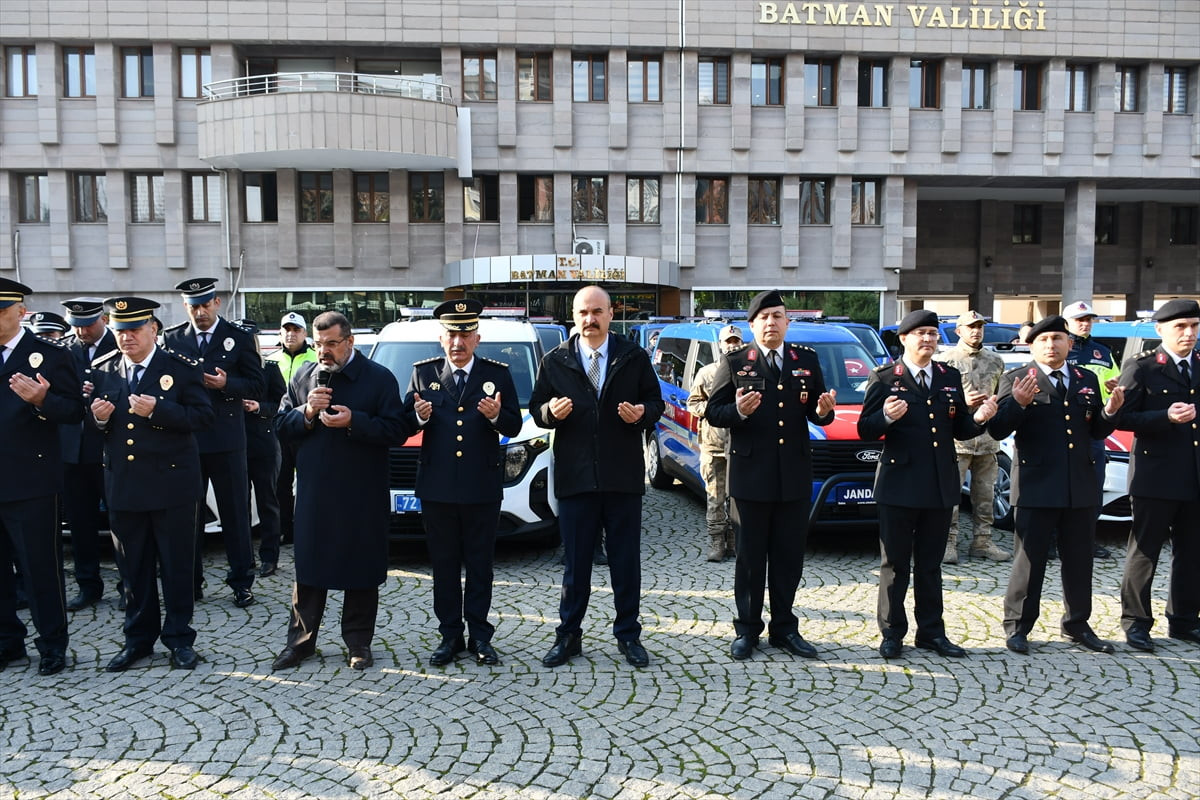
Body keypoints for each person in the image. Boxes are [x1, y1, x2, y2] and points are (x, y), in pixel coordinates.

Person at [530, 285, 664, 669]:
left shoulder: (633, 357)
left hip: (622, 478)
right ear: (574, 316)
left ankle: (628, 635)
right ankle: (568, 635)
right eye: (583, 313)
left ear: (610, 314)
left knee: (625, 563)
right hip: (575, 478)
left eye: (597, 312)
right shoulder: (555, 360)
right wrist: (550, 412)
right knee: (576, 565)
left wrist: (642, 413)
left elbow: (656, 402)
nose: (590, 319)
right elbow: (537, 408)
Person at [271, 311, 410, 672]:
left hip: (362, 492)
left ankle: (358, 643)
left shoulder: (378, 378)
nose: (324, 351)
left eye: (332, 344)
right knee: (309, 568)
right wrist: (306, 412)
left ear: (350, 341)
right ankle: (300, 643)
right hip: (316, 492)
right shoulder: (303, 376)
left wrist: (355, 421)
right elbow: (281, 425)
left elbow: (397, 430)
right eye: (319, 344)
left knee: (360, 567)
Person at [858, 309, 997, 660]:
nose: (928, 339)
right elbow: (865, 429)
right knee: (895, 565)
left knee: (931, 565)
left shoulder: (948, 376)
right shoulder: (885, 378)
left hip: (938, 483)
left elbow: (960, 428)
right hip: (899, 485)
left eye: (933, 334)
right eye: (920, 333)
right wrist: (886, 417)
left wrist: (980, 417)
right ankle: (892, 632)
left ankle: (932, 633)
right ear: (904, 339)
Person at [706, 292, 837, 660]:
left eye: (777, 316)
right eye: (763, 317)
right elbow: (714, 412)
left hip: (793, 474)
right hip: (751, 476)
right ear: (752, 325)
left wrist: (824, 412)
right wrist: (738, 411)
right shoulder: (736, 361)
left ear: (787, 323)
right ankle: (747, 629)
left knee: (788, 557)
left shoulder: (805, 359)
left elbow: (818, 411)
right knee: (750, 559)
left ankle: (784, 628)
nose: (771, 323)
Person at [88, 297, 214, 671]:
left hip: (171, 484)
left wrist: (159, 410)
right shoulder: (104, 369)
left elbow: (203, 417)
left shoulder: (180, 367)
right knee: (133, 569)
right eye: (120, 330)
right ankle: (138, 640)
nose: (126, 337)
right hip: (125, 485)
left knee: (176, 567)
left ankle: (179, 639)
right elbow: (96, 427)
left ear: (153, 329)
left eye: (134, 329)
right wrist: (97, 419)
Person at [988, 315, 1124, 656]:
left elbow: (1095, 430)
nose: (1051, 345)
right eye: (1044, 340)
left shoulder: (1085, 378)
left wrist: (1111, 411)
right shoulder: (1017, 378)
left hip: (1079, 484)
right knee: (1029, 560)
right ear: (1032, 346)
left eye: (1057, 338)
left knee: (1079, 559)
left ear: (1069, 343)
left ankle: (1077, 624)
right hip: (1036, 484)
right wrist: (1018, 404)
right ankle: (1018, 626)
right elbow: (998, 429)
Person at [404, 299, 522, 666]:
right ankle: (450, 636)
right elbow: (403, 423)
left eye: (465, 334)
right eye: (451, 335)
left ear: (477, 338)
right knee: (444, 566)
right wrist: (418, 417)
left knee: (480, 566)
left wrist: (497, 415)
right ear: (442, 339)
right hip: (438, 489)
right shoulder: (423, 373)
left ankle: (480, 636)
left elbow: (515, 424)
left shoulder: (496, 374)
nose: (458, 342)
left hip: (480, 487)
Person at [162, 278, 264, 608]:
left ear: (217, 303)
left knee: (234, 514)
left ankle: (241, 581)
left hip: (226, 438)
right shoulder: (173, 338)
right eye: (194, 306)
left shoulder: (238, 337)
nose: (200, 312)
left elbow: (257, 385)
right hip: (187, 438)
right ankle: (191, 582)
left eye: (205, 305)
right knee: (186, 516)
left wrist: (226, 384)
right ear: (185, 307)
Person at [0, 278, 83, 676]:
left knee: (40, 569)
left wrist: (42, 400)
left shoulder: (49, 355)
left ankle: (52, 643)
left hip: (31, 480)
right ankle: (7, 641)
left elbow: (74, 411)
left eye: (1, 312)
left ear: (21, 312)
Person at [1114, 298, 1200, 652]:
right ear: (1160, 330)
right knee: (1145, 551)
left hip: (1194, 476)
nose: (1189, 333)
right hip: (1155, 476)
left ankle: (1184, 620)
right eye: (1181, 327)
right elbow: (1121, 419)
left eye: (1194, 326)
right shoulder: (1143, 367)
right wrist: (1165, 417)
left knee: (1192, 552)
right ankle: (1136, 623)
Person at [59, 298, 119, 611]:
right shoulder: (64, 349)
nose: (82, 331)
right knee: (80, 523)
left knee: (121, 522)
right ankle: (88, 585)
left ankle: (128, 585)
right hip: (73, 450)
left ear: (103, 320)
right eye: (76, 326)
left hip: (109, 449)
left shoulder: (119, 343)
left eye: (88, 325)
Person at [935, 311, 1010, 563]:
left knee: (985, 495)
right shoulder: (946, 360)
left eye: (980, 326)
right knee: (951, 495)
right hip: (957, 440)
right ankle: (948, 542)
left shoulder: (995, 360)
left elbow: (1000, 395)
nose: (976, 331)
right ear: (959, 331)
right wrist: (962, 401)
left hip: (987, 439)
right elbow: (938, 400)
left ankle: (982, 542)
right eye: (971, 327)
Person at [1064, 300, 1120, 559]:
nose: (1085, 324)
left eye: (1088, 319)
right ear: (1067, 323)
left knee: (1093, 486)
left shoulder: (1103, 352)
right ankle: (1054, 538)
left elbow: (1115, 387)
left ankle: (1086, 539)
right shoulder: (1060, 349)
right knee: (1060, 485)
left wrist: (1114, 389)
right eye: (1079, 320)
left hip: (1094, 428)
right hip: (1065, 427)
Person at [686, 324, 743, 563]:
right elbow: (692, 402)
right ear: (720, 345)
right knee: (715, 496)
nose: (732, 345)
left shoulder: (748, 372)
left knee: (737, 497)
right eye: (728, 341)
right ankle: (717, 540)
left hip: (740, 446)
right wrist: (712, 410)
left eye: (736, 341)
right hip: (714, 444)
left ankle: (734, 539)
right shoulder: (707, 373)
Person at [236, 320, 287, 578]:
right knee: (239, 505)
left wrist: (259, 408)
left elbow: (282, 404)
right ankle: (244, 558)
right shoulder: (230, 372)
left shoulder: (269, 369)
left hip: (263, 442)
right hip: (236, 444)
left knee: (267, 502)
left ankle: (269, 556)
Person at [266, 312, 317, 546]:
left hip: (307, 428)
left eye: (296, 330)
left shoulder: (315, 358)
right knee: (280, 483)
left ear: (305, 333)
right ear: (280, 333)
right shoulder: (271, 360)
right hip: (280, 428)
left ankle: (307, 527)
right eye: (286, 330)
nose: (291, 334)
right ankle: (285, 530)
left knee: (308, 481)